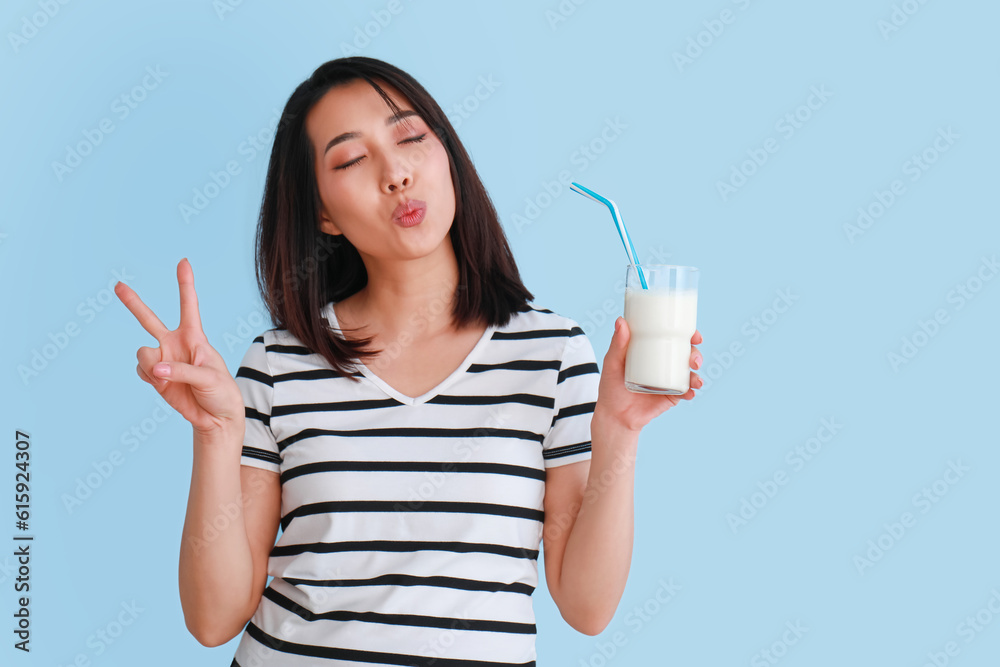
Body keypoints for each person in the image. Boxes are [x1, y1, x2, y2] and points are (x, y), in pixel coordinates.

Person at [115, 56, 703, 666]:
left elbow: (587, 607)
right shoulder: (278, 364)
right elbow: (214, 620)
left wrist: (620, 433)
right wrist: (215, 433)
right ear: (322, 213)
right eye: (350, 160)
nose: (394, 173)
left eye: (410, 137)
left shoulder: (553, 356)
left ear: (447, 155)